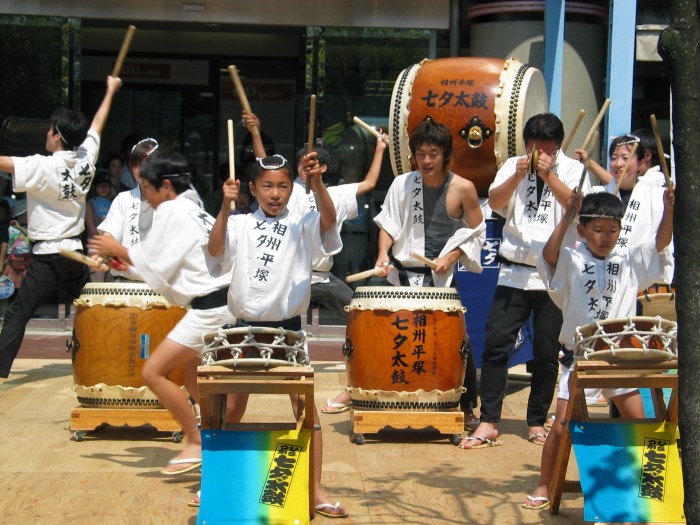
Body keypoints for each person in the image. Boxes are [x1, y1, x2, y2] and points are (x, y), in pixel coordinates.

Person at [207, 152, 347, 518]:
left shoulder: (302, 222)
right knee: (229, 409)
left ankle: (315, 490)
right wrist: (224, 206)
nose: (275, 194)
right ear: (252, 188)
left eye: (283, 186)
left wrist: (316, 183)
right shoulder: (238, 223)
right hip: (242, 329)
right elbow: (215, 250)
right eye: (267, 186)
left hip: (287, 332)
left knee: (305, 409)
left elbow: (329, 224)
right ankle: (215, 483)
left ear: (291, 189)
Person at [522, 189, 674, 510]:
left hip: (619, 358)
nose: (606, 237)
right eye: (598, 229)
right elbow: (548, 257)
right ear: (582, 230)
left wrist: (668, 208)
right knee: (562, 428)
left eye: (613, 230)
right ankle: (544, 484)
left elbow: (658, 244)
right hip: (581, 357)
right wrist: (567, 214)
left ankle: (649, 492)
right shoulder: (572, 260)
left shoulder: (629, 259)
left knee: (641, 422)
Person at [88, 150, 236, 475]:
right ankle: (210, 436)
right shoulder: (193, 209)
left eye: (148, 189)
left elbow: (156, 264)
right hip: (220, 304)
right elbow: (162, 266)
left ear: (165, 186)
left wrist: (116, 250)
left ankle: (195, 439)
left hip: (211, 308)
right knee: (193, 380)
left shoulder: (174, 211)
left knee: (152, 372)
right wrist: (124, 260)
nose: (147, 197)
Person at [462, 113, 587, 449]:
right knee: (496, 342)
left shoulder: (572, 169)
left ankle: (535, 420)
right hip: (513, 270)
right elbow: (497, 202)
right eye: (534, 148)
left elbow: (576, 208)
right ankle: (489, 419)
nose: (539, 154)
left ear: (557, 146)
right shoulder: (515, 165)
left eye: (546, 149)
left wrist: (550, 176)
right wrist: (519, 175)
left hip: (553, 273)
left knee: (548, 350)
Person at [0, 75, 122, 378]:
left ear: (57, 135)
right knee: (93, 311)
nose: (46, 134)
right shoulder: (86, 160)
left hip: (49, 256)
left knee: (17, 314)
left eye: (50, 130)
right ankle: (111, 363)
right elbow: (98, 125)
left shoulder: (41, 166)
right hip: (73, 252)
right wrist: (110, 90)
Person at [370, 118, 486, 429]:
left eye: (433, 153)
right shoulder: (402, 183)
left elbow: (477, 232)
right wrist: (383, 255)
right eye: (421, 154)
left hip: (441, 276)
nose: (427, 161)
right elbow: (388, 224)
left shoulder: (463, 188)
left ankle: (467, 404)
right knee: (394, 336)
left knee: (456, 341)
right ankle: (390, 396)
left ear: (447, 154)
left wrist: (451, 256)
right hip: (403, 274)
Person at [97, 138, 159, 281]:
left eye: (147, 163)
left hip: (163, 287)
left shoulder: (172, 201)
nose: (141, 169)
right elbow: (109, 237)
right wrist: (105, 252)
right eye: (137, 164)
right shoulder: (123, 199)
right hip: (126, 285)